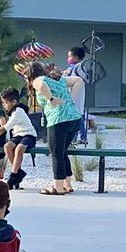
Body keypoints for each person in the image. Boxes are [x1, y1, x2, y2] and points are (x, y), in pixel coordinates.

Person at [25, 62, 84, 196]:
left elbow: (41, 85)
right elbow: (78, 80)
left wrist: (51, 99)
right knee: (62, 152)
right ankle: (67, 184)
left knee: (56, 154)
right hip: (74, 118)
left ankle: (58, 187)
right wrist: (71, 98)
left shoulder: (38, 79)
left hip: (58, 119)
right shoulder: (59, 79)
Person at [0, 87, 37, 190]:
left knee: (19, 149)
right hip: (17, 136)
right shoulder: (12, 112)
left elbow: (6, 127)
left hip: (28, 135)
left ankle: (13, 176)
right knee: (7, 146)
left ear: (14, 102)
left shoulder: (18, 112)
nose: (4, 105)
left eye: (6, 103)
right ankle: (18, 172)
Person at [64, 46, 89, 144]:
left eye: (70, 56)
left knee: (77, 114)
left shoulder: (80, 67)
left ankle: (82, 136)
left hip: (77, 93)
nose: (69, 59)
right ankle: (75, 137)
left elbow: (77, 79)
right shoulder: (73, 67)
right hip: (72, 92)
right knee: (75, 115)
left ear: (76, 57)